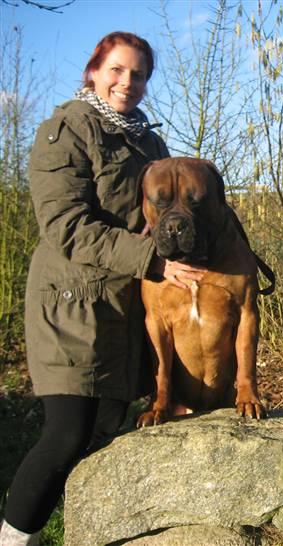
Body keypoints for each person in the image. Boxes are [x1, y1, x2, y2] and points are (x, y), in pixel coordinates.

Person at [0, 32, 204, 545]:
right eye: (117, 70)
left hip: (126, 303)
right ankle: (13, 537)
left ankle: (73, 529)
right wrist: (152, 259)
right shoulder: (65, 130)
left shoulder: (149, 143)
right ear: (94, 70)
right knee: (66, 434)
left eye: (138, 74)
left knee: (103, 429)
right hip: (72, 303)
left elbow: (167, 216)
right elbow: (65, 226)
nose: (127, 82)